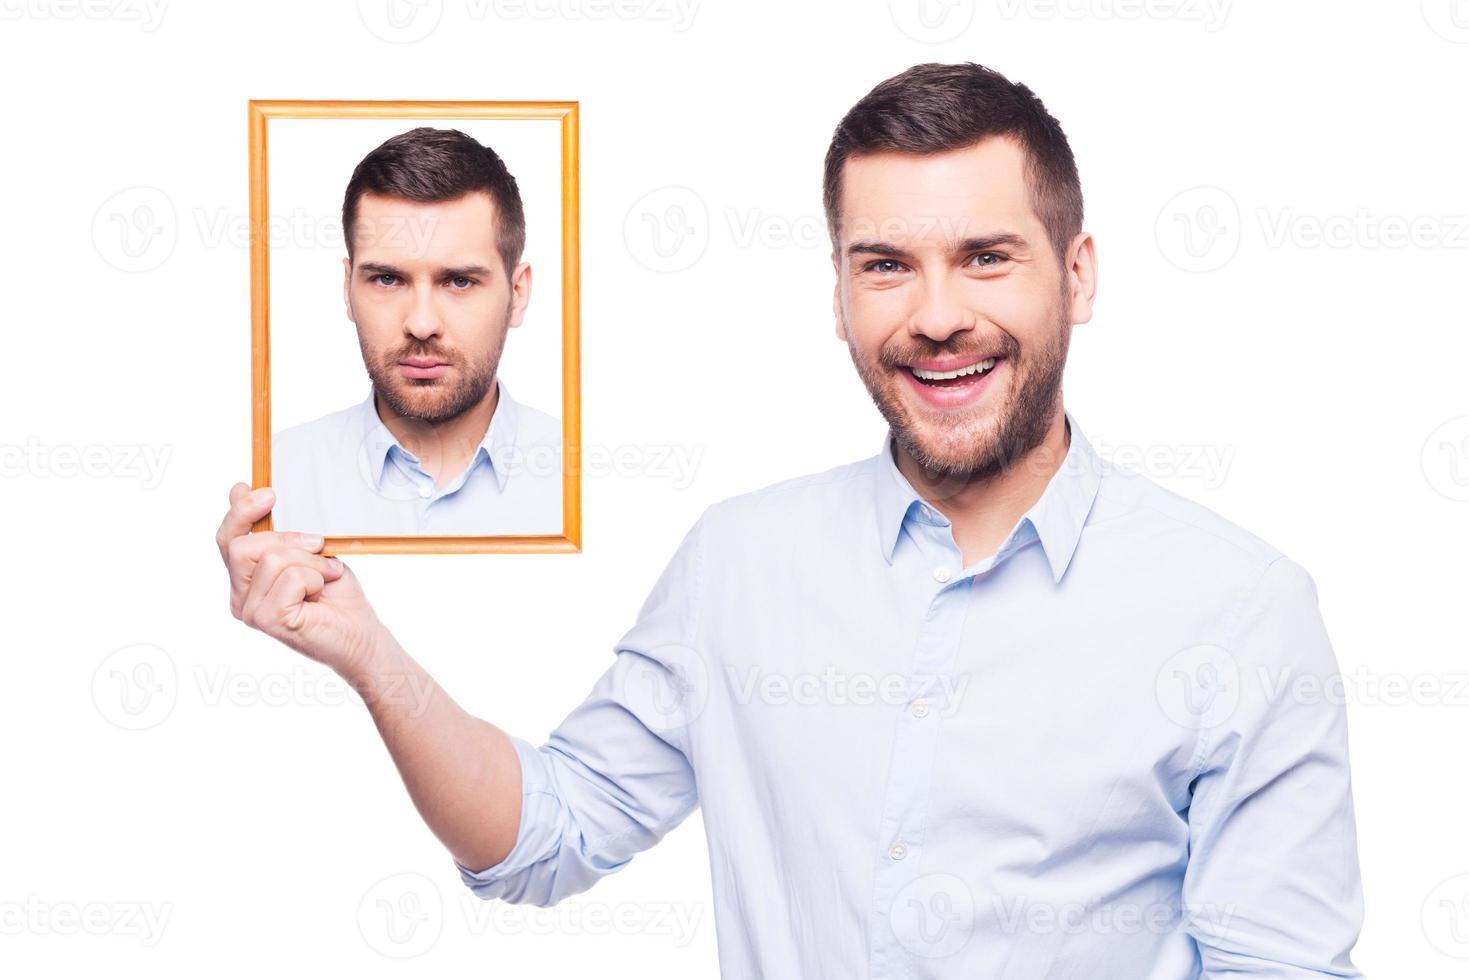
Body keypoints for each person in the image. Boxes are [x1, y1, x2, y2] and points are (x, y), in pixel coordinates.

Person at [217, 63, 1364, 976]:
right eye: (884, 264)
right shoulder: (739, 564)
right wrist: (365, 649)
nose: (936, 315)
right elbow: (544, 834)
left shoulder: (1238, 607)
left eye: (984, 258)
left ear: (1077, 275)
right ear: (835, 295)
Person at [270, 126, 562, 537]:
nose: (422, 324)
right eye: (388, 279)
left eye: (459, 281)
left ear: (517, 294)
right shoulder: (276, 477)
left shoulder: (584, 478)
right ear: (347, 289)